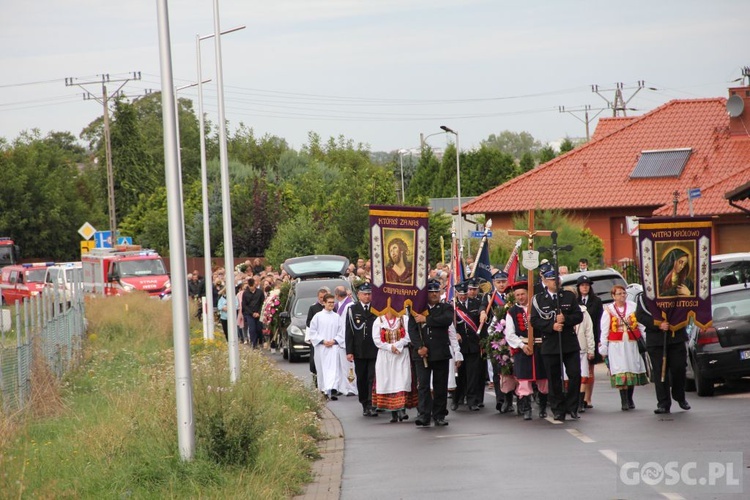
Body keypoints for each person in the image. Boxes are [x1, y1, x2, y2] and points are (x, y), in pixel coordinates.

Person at [530, 268, 583, 422]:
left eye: (557, 279)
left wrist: (565, 319)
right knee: (554, 379)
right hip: (551, 344)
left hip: (569, 343)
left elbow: (578, 316)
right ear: (545, 281)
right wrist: (551, 326)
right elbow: (534, 321)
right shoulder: (538, 299)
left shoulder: (568, 296)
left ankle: (572, 407)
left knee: (575, 374)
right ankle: (558, 408)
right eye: (552, 279)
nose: (556, 282)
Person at [634, 292, 690, 414]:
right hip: (656, 340)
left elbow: (686, 307)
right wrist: (658, 324)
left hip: (676, 337)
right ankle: (663, 403)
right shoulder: (644, 296)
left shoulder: (676, 292)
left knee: (679, 368)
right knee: (660, 372)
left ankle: (679, 395)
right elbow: (640, 315)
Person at [409, 279, 454, 427]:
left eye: (436, 291)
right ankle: (423, 414)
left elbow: (446, 320)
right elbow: (412, 330)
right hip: (422, 354)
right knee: (423, 386)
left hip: (440, 352)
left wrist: (426, 319)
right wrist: (419, 347)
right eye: (431, 292)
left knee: (440, 385)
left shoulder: (445, 307)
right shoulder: (416, 309)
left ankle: (439, 415)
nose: (434, 294)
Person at [599, 285, 649, 411]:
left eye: (624, 293)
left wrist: (646, 339)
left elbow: (641, 325)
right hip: (616, 346)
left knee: (631, 369)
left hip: (631, 344)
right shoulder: (608, 310)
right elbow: (604, 331)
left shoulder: (633, 306)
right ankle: (624, 401)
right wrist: (603, 347)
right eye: (619, 294)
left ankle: (630, 398)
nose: (622, 296)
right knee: (621, 370)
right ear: (613, 296)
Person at [504, 281, 548, 420]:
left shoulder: (537, 308)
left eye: (523, 294)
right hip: (523, 349)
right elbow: (510, 334)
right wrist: (522, 346)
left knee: (543, 379)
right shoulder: (512, 312)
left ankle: (542, 408)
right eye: (517, 295)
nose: (520, 297)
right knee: (523, 380)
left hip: (540, 347)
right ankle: (527, 408)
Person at [372, 309, 417, 422]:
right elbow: (377, 340)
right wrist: (390, 347)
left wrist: (397, 345)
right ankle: (393, 413)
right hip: (385, 355)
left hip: (401, 354)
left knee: (402, 379)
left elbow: (408, 336)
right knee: (388, 380)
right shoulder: (379, 320)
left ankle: (402, 410)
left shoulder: (403, 319)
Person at [345, 283, 379, 417]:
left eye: (369, 294)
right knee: (362, 378)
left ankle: (372, 403)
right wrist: (349, 351)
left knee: (372, 377)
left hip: (374, 349)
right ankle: (364, 402)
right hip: (359, 350)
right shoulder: (353, 309)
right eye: (365, 294)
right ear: (358, 295)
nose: (367, 296)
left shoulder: (376, 309)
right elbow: (349, 332)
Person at [453, 282, 483, 412]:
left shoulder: (475, 304)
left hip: (473, 344)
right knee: (458, 375)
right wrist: (455, 333)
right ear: (457, 294)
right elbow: (449, 325)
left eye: (465, 294)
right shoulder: (453, 306)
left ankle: (472, 400)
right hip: (459, 346)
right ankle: (456, 399)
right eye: (461, 294)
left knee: (472, 374)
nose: (464, 297)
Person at [307, 294, 344, 400]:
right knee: (322, 369)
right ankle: (324, 390)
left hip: (333, 347)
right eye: (329, 303)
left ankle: (333, 389)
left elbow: (341, 332)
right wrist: (322, 341)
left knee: (334, 369)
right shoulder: (318, 316)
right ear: (324, 303)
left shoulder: (337, 317)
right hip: (321, 347)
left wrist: (334, 340)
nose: (331, 305)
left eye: (333, 302)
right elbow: (313, 332)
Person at [576, 275, 603, 410]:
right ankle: (579, 397)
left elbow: (599, 322)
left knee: (590, 370)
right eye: (582, 285)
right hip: (579, 339)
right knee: (579, 371)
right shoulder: (575, 302)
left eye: (587, 285)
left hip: (592, 337)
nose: (585, 287)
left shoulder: (596, 301)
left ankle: (588, 398)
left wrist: (599, 340)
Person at [569, 287, 595, 414]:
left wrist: (591, 349)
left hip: (582, 349)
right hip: (567, 349)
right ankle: (569, 401)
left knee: (583, 376)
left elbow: (589, 332)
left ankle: (580, 402)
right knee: (567, 377)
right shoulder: (560, 311)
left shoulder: (583, 312)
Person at [333, 286, 357, 397]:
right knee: (342, 366)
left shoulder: (349, 305)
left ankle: (352, 387)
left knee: (350, 367)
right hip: (341, 340)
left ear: (337, 295)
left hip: (346, 340)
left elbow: (347, 325)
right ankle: (344, 387)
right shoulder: (340, 305)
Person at [306, 287, 330, 384]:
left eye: (324, 297)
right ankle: (315, 378)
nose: (322, 299)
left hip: (328, 338)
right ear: (318, 297)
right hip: (317, 338)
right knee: (314, 360)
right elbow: (308, 322)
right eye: (320, 297)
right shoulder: (313, 308)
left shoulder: (331, 308)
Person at [241, 278, 265, 348]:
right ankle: (253, 343)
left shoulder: (260, 292)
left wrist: (259, 312)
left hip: (258, 313)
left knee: (259, 328)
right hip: (249, 314)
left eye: (253, 285)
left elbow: (262, 303)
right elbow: (244, 305)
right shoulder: (245, 293)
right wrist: (252, 313)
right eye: (250, 286)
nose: (251, 288)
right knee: (252, 329)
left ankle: (259, 340)